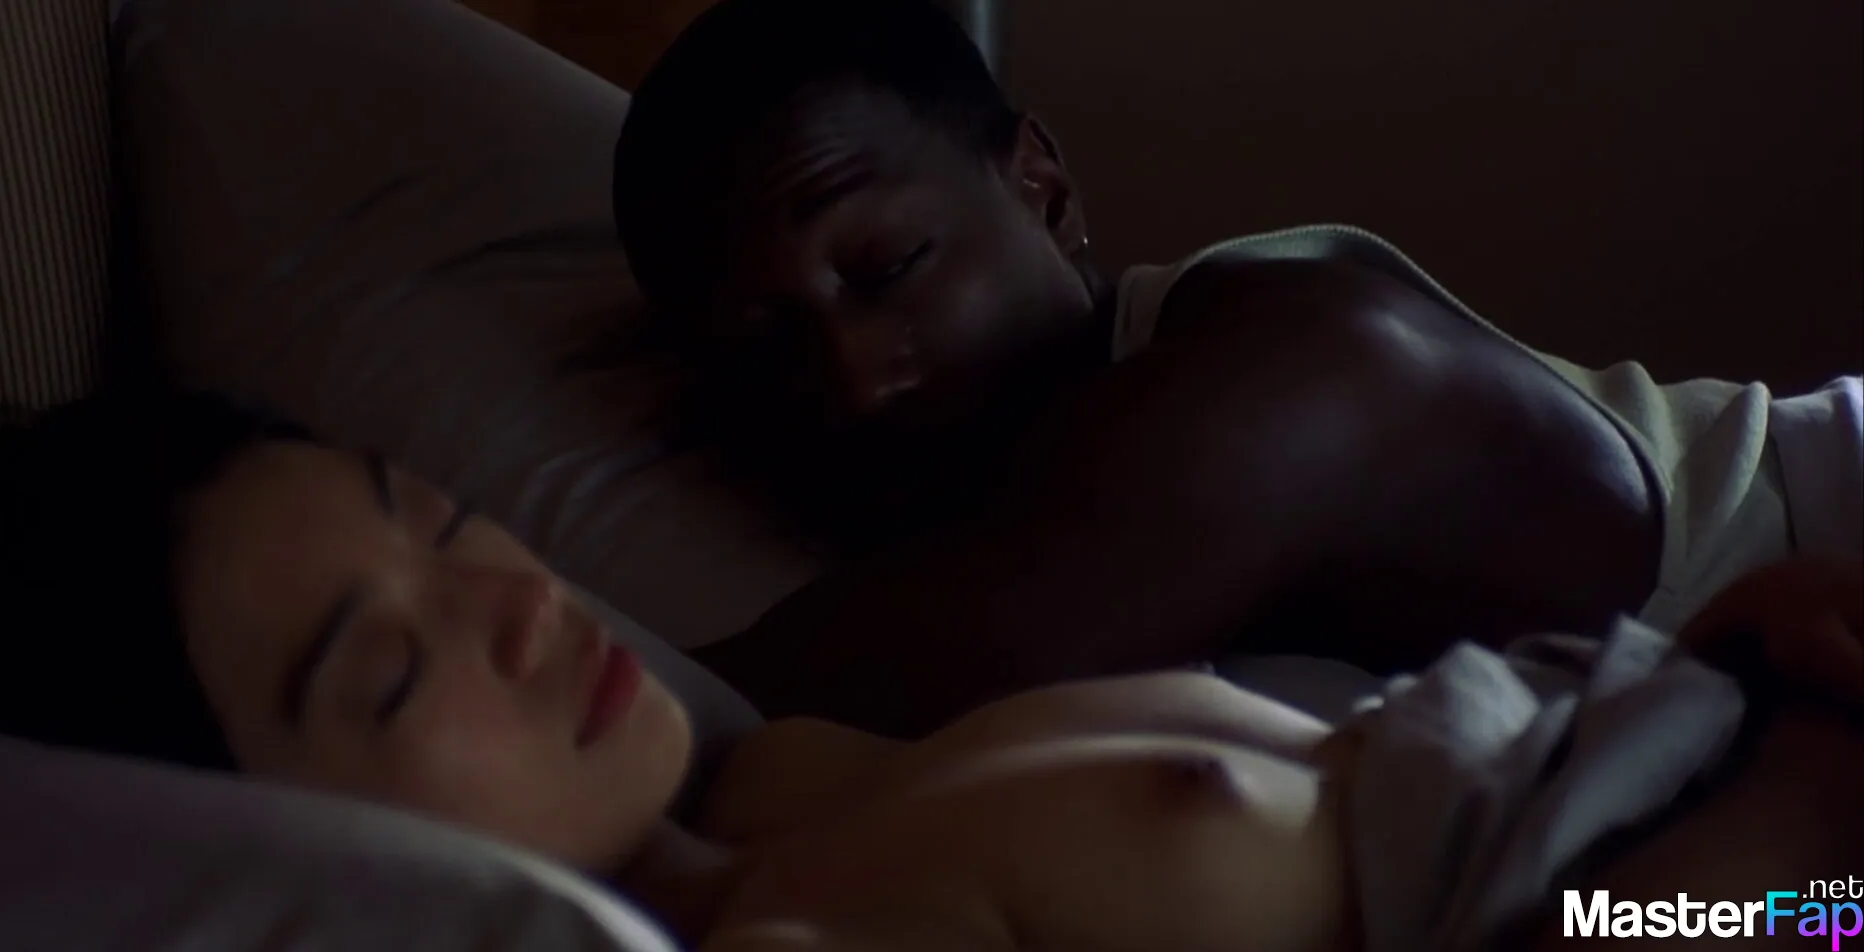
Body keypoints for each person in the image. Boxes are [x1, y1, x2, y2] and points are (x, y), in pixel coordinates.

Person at [0, 389, 1859, 952]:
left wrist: (1731, 663)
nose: (516, 603)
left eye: (446, 520)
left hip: (1676, 741)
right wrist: (1785, 839)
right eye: (386, 672)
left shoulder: (795, 772)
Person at [611, 0, 1864, 736]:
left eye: (888, 269)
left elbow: (875, 670)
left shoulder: (1295, 366)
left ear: (1041, 183)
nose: (851, 379)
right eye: (763, 345)